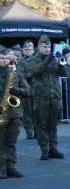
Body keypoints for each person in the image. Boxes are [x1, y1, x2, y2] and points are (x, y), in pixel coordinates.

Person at [21, 35, 68, 160]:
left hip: (55, 95)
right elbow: (32, 72)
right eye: (44, 47)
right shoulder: (33, 60)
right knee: (41, 124)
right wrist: (46, 61)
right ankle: (44, 150)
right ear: (39, 47)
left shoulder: (53, 58)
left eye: (49, 47)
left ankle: (53, 148)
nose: (47, 49)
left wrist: (60, 61)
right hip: (40, 96)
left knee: (53, 124)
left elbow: (64, 73)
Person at [0, 46, 31, 179]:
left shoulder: (15, 72)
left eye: (7, 58)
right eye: (2, 58)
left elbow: (28, 90)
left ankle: (11, 167)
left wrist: (19, 90)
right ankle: (1, 168)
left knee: (11, 142)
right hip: (1, 112)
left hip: (14, 112)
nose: (5, 61)